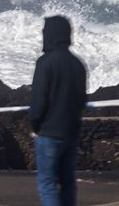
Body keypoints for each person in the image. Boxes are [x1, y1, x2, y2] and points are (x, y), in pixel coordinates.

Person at [30, 15, 87, 206]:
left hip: (48, 133)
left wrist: (34, 124)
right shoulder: (78, 64)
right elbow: (82, 101)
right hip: (71, 133)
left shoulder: (45, 62)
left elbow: (39, 99)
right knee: (68, 182)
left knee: (47, 184)